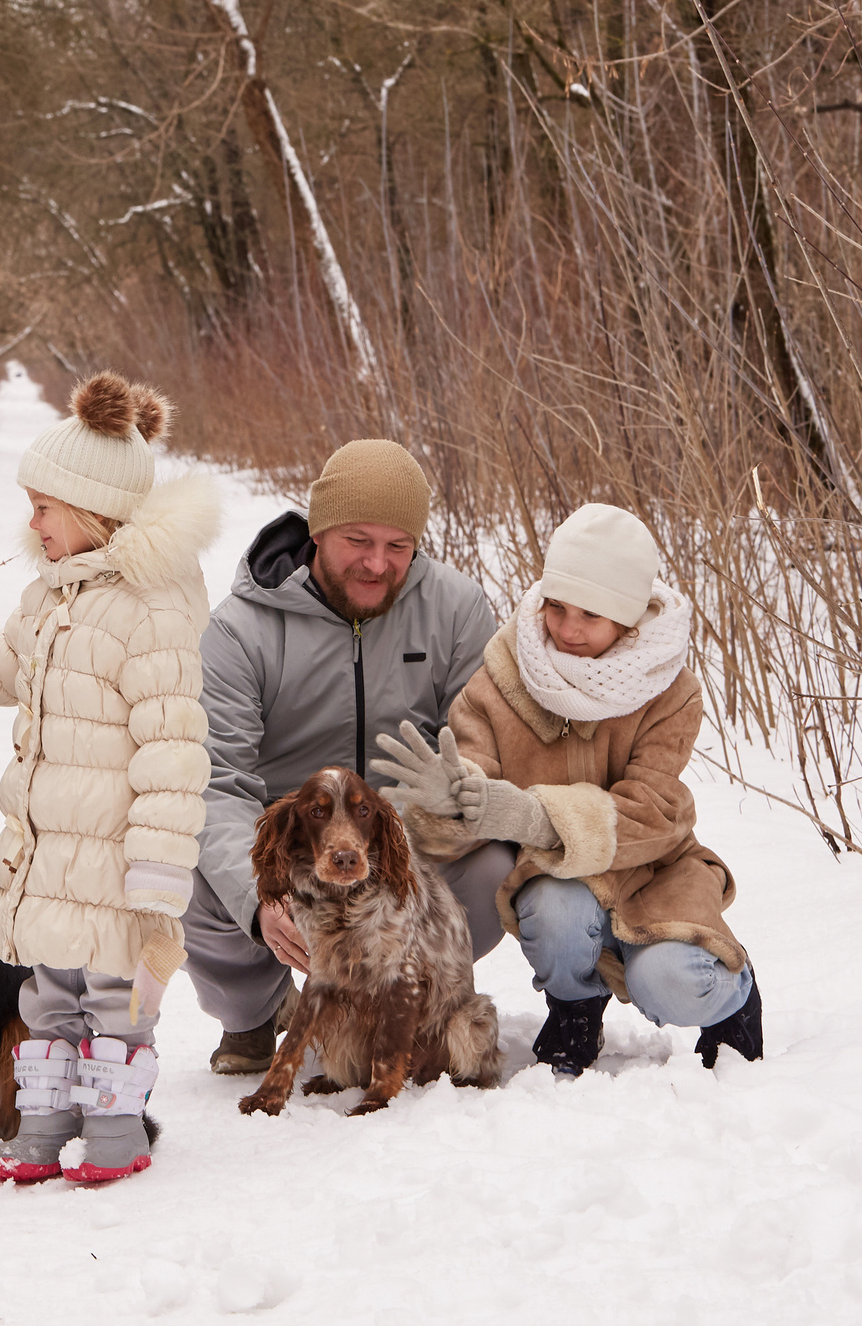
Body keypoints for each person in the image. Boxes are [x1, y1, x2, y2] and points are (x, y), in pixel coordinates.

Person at [0, 373, 215, 1183]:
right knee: (49, 994)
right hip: (50, 850)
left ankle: (115, 1128)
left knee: (114, 1000)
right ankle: (44, 1123)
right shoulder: (50, 596)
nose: (31, 523)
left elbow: (172, 748)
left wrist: (159, 869)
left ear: (94, 509)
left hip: (116, 861)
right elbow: (0, 664)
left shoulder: (152, 609)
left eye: (43, 507)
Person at [391, 502, 762, 1075]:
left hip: (653, 870)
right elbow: (476, 769)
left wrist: (534, 816)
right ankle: (574, 1010)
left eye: (590, 614)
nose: (566, 630)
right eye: (557, 606)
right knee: (552, 910)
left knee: (668, 980)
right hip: (555, 874)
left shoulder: (670, 689)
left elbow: (652, 810)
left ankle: (734, 997)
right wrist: (452, 802)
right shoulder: (504, 674)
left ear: (629, 618)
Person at [190, 440, 503, 1074]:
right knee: (191, 866)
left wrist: (432, 816)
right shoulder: (241, 628)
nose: (376, 563)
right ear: (318, 531)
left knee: (497, 865)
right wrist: (258, 899)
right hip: (293, 843)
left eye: (398, 546)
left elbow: (484, 748)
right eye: (357, 540)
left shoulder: (458, 610)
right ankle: (251, 1017)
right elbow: (217, 781)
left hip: (403, 841)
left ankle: (412, 1003)